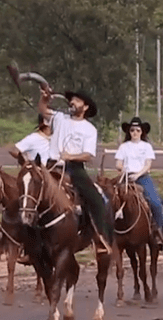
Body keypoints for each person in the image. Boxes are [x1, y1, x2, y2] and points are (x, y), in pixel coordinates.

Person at [38, 87, 112, 253]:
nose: (72, 102)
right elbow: (42, 109)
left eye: (77, 100)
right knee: (29, 191)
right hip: (51, 165)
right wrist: (44, 98)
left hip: (74, 168)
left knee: (97, 199)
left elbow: (88, 155)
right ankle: (23, 243)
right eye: (72, 100)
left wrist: (70, 156)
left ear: (85, 107)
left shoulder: (89, 129)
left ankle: (100, 238)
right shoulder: (59, 118)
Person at [114, 116, 163, 245]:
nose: (135, 133)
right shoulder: (124, 147)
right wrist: (123, 169)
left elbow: (148, 164)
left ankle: (158, 231)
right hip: (126, 177)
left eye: (137, 130)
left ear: (142, 132)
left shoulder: (146, 146)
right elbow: (118, 163)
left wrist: (138, 174)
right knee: (110, 199)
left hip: (142, 177)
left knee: (156, 203)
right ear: (129, 132)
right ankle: (107, 231)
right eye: (132, 130)